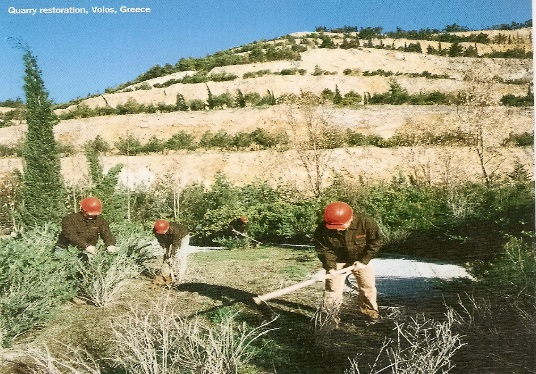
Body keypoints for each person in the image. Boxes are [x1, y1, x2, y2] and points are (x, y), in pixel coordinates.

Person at [314, 201, 382, 325]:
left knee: (368, 287)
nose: (338, 229)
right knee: (333, 290)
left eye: (341, 225)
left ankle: (371, 315)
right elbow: (324, 250)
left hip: (361, 259)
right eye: (335, 227)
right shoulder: (322, 229)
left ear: (350, 218)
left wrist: (363, 261)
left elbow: (375, 243)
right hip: (338, 260)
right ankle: (330, 319)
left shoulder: (366, 222)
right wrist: (331, 268)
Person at [153, 219, 189, 286]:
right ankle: (165, 275)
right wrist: (165, 249)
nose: (163, 233)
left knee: (179, 255)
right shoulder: (156, 230)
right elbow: (161, 240)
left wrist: (172, 255)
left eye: (164, 231)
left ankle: (179, 277)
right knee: (166, 257)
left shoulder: (175, 230)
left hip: (182, 236)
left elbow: (176, 244)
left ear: (167, 227)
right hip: (168, 238)